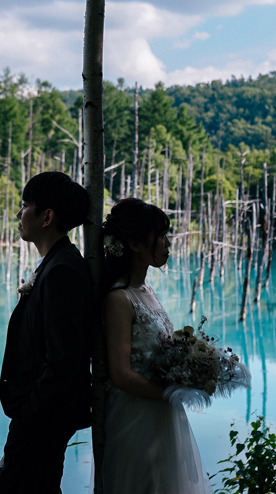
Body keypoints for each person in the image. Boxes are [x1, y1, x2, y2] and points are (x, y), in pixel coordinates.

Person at [0, 172, 94, 494]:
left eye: (25, 205)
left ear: (47, 217)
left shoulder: (62, 271)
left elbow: (64, 359)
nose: (19, 214)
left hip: (42, 420)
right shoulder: (57, 263)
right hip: (42, 418)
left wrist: (30, 415)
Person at [99, 197, 212, 494]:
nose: (167, 242)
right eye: (160, 235)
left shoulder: (146, 289)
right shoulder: (118, 299)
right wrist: (172, 393)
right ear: (135, 244)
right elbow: (121, 375)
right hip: (136, 420)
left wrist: (189, 369)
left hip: (162, 414)